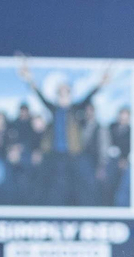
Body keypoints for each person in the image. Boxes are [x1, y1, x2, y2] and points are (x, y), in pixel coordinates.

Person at [16, 57, 112, 208]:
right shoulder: (54, 110)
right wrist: (29, 79)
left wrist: (101, 83)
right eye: (61, 94)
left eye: (66, 93)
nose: (63, 97)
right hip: (54, 154)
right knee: (51, 185)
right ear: (57, 96)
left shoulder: (75, 110)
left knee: (78, 184)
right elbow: (39, 95)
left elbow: (89, 97)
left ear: (70, 95)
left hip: (73, 154)